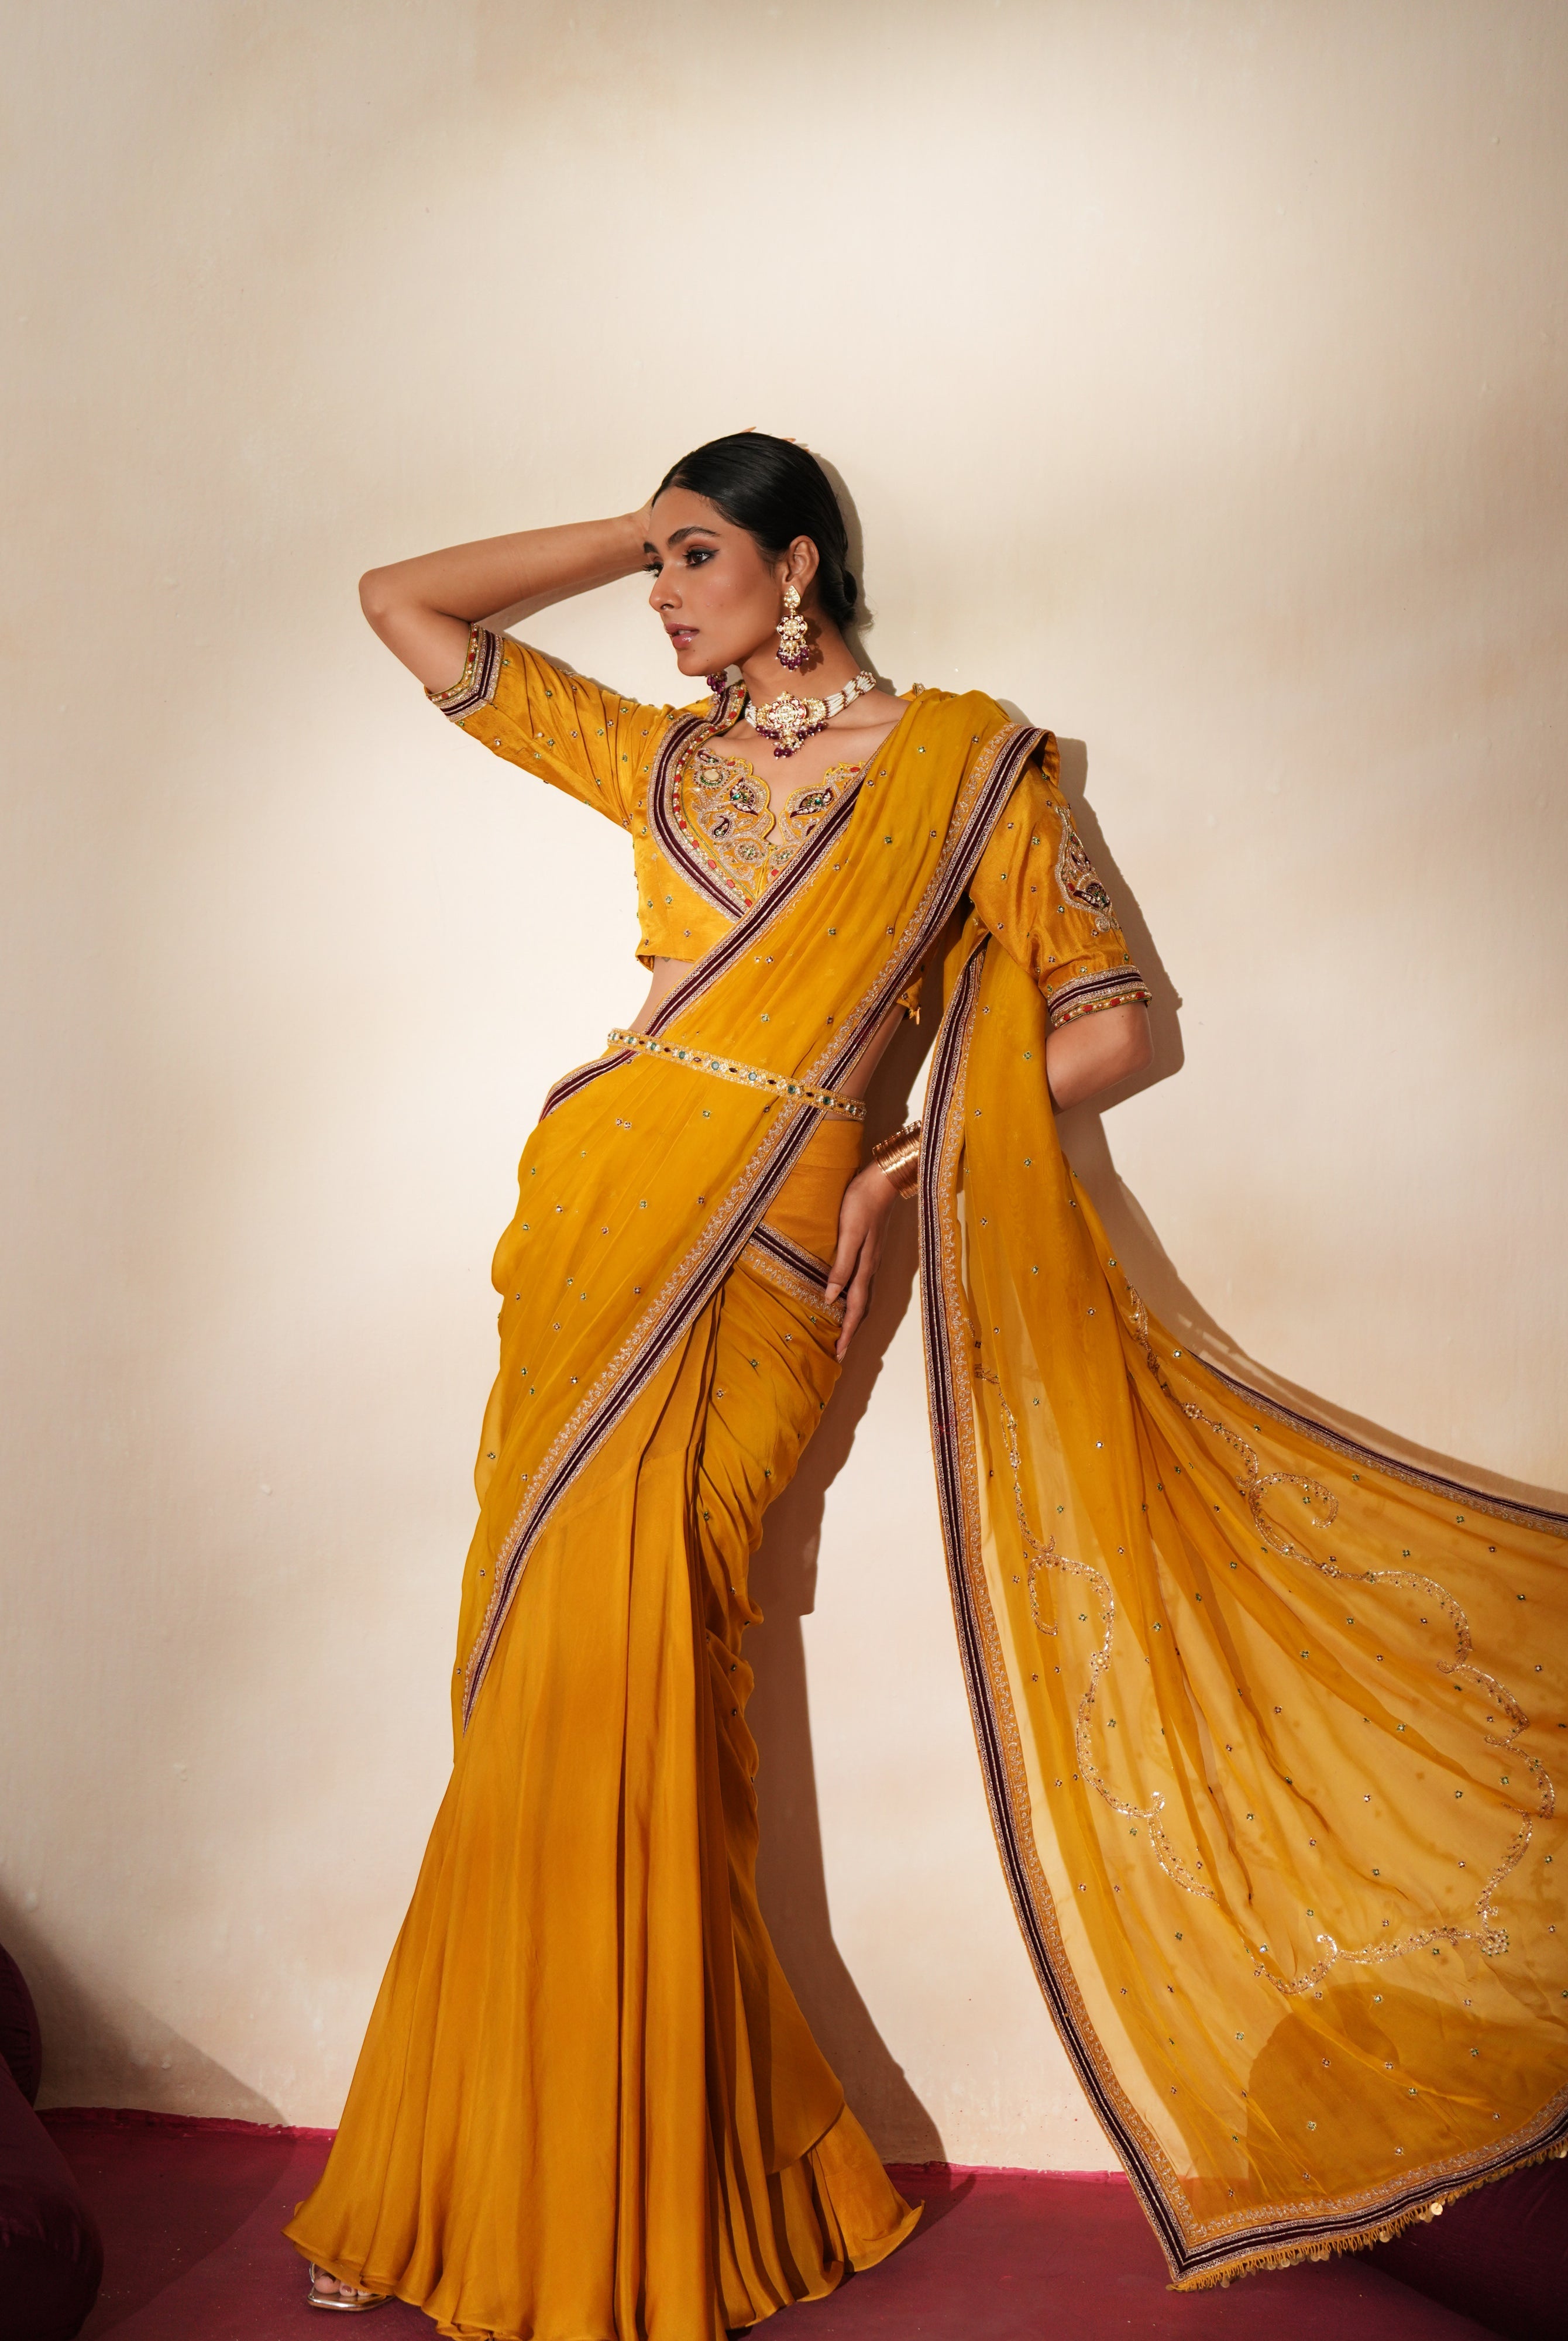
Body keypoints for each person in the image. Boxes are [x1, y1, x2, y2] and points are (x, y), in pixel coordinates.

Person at [287, 434, 1566, 2329]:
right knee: (543, 1670)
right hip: (595, 1226)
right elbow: (400, 602)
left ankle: (643, 2173)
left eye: (699, 556)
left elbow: (1121, 1029)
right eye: (657, 564)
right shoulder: (660, 762)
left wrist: (902, 1159)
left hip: (772, 1256)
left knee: (656, 1662)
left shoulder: (975, 772)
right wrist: (633, 524)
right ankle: (480, 2165)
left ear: (799, 564)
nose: (663, 597)